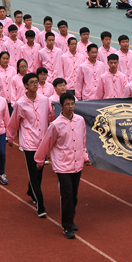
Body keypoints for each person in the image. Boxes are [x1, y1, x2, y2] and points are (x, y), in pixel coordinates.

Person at [35, 93, 90, 239]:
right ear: (61, 106)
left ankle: (70, 219)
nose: (70, 107)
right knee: (67, 195)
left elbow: (82, 141)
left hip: (77, 163)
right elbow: (47, 142)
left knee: (74, 195)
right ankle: (67, 226)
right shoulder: (56, 125)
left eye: (72, 104)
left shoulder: (80, 120)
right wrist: (40, 160)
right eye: (67, 104)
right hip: (62, 164)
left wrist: (85, 157)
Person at [7, 72, 54, 218]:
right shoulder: (20, 104)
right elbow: (14, 121)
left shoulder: (44, 100)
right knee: (34, 173)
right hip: (29, 143)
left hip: (42, 141)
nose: (35, 84)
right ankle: (40, 205)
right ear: (26, 85)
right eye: (32, 82)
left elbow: (51, 116)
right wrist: (10, 137)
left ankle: (30, 190)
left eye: (36, 82)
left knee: (39, 172)